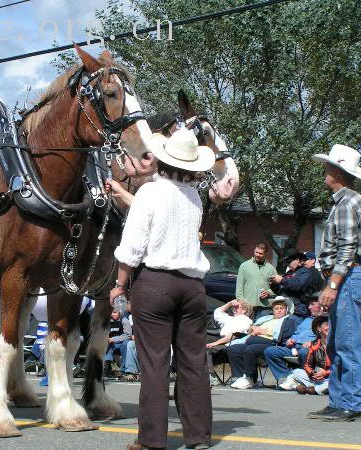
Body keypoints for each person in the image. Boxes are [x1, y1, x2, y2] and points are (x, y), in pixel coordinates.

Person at [109, 128, 214, 450]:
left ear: (162, 160)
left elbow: (133, 245)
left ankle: (152, 439)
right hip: (193, 286)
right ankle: (198, 435)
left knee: (155, 362)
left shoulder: (150, 193)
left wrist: (119, 284)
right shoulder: (194, 196)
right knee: (193, 361)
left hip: (155, 283)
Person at [308, 144, 361, 422]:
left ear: (337, 171)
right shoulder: (346, 201)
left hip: (346, 279)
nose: (325, 171)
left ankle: (353, 403)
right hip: (347, 278)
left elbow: (347, 248)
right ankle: (340, 400)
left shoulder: (347, 203)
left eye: (328, 168)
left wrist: (332, 285)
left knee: (346, 343)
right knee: (337, 343)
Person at [227, 296, 299, 389]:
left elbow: (285, 334)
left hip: (271, 342)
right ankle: (238, 376)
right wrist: (252, 328)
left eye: (282, 308)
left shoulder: (289, 320)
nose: (279, 310)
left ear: (286, 310)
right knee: (233, 349)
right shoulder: (266, 318)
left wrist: (264, 331)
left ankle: (250, 379)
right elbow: (251, 328)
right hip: (253, 340)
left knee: (250, 349)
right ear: (272, 310)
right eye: (276, 308)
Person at [267, 295, 323, 389]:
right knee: (270, 351)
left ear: (320, 305)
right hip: (294, 348)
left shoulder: (325, 320)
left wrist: (313, 343)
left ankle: (302, 379)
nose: (309, 307)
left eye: (312, 305)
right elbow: (296, 333)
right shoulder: (307, 319)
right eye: (309, 305)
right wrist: (291, 339)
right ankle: (287, 377)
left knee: (304, 352)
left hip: (311, 348)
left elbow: (328, 338)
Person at [271, 250, 323, 319]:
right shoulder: (289, 273)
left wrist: (282, 280)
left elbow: (298, 285)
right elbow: (281, 290)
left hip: (297, 311)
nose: (288, 265)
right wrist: (273, 284)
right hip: (285, 309)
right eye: (286, 262)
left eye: (288, 262)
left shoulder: (305, 271)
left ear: (297, 260)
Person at [288, 315, 331, 395]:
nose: (329, 327)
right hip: (321, 378)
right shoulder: (314, 345)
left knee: (338, 378)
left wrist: (327, 373)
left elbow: (342, 367)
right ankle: (319, 387)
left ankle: (315, 389)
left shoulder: (338, 344)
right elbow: (307, 365)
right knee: (297, 372)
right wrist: (313, 374)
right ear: (319, 329)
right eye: (326, 324)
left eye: (332, 325)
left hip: (332, 375)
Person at [236, 243, 277, 319]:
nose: (258, 255)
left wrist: (269, 292)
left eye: (261, 253)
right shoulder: (244, 266)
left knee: (261, 330)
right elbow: (239, 287)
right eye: (256, 252)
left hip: (265, 307)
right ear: (254, 251)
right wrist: (242, 303)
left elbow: (276, 287)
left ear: (266, 253)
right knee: (247, 329)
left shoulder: (271, 269)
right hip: (247, 306)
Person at [104, 309, 132, 378]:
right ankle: (105, 368)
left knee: (126, 343)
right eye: (111, 313)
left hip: (121, 343)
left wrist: (114, 339)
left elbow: (128, 335)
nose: (112, 314)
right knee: (107, 345)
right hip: (110, 343)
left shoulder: (124, 320)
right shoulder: (107, 321)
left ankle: (123, 370)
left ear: (119, 312)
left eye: (114, 312)